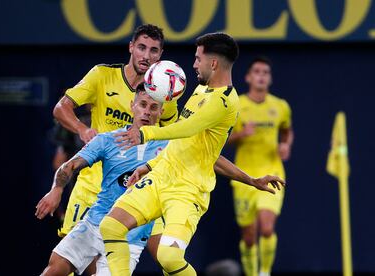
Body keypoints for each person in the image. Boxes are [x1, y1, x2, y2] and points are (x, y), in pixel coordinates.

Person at [99, 32, 285, 276]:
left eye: (198, 59)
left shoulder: (226, 101)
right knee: (111, 226)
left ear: (213, 63)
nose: (194, 64)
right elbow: (188, 145)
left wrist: (145, 135)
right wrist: (150, 165)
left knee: (169, 257)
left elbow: (188, 128)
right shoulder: (200, 90)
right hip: (161, 177)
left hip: (187, 190)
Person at [50, 23, 178, 274]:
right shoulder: (101, 75)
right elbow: (61, 108)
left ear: (160, 55)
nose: (146, 55)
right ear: (131, 47)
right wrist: (82, 129)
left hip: (136, 188)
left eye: (153, 50)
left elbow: (174, 141)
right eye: (141, 47)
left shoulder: (164, 94)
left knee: (166, 255)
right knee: (68, 265)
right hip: (93, 185)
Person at [36, 84, 168, 275]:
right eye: (143, 105)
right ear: (132, 105)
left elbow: (210, 159)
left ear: (161, 112)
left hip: (128, 237)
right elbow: (69, 165)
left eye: (153, 107)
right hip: (94, 223)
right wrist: (56, 190)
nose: (146, 112)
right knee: (55, 267)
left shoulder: (170, 146)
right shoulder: (108, 140)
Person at [227, 56, 294, 276]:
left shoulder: (280, 106)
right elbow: (221, 139)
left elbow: (287, 130)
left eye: (265, 72)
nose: (261, 76)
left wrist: (285, 145)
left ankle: (264, 272)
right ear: (248, 77)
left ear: (270, 78)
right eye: (257, 72)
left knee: (266, 228)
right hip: (244, 178)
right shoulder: (238, 106)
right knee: (248, 237)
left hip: (272, 172)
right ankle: (251, 273)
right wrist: (240, 134)